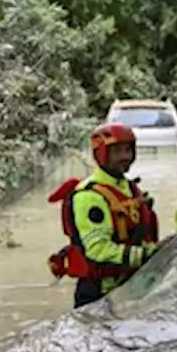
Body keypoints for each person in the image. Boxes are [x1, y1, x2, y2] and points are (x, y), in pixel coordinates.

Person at [48, 123, 161, 308]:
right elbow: (98, 250)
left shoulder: (129, 187)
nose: (125, 157)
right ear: (101, 154)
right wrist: (149, 255)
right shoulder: (89, 196)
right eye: (117, 152)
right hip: (99, 293)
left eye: (128, 150)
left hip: (129, 288)